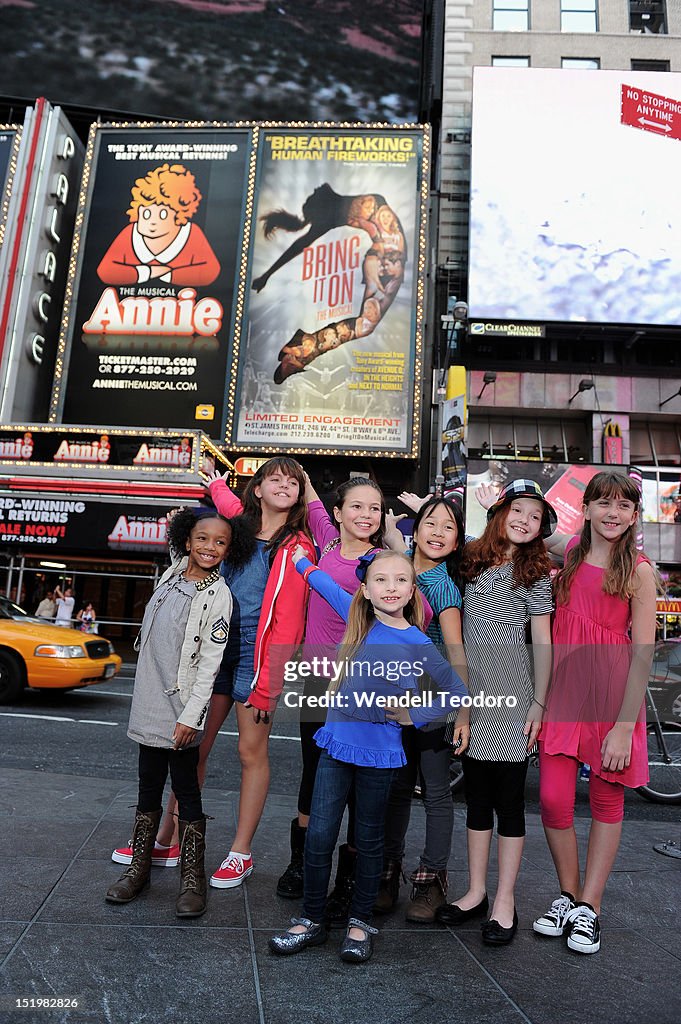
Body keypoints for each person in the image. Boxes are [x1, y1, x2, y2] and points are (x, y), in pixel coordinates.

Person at [112, 458, 316, 884]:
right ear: (257, 489)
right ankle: (168, 836)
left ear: (300, 493)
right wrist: (217, 482)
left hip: (255, 658)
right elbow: (225, 502)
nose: (283, 485)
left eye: (292, 482)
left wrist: (270, 681)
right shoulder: (235, 527)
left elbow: (291, 619)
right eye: (273, 479)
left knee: (249, 752)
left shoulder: (297, 545)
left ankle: (241, 851)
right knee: (190, 749)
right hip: (210, 648)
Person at [268, 550, 469, 963]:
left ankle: (360, 922)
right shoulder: (358, 620)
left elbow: (457, 691)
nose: (390, 588)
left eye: (400, 580)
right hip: (336, 747)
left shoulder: (415, 639)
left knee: (369, 839)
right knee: (320, 835)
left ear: (413, 590)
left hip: (381, 756)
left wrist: (416, 715)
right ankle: (310, 919)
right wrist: (301, 562)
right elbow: (323, 583)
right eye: (381, 580)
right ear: (365, 588)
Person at [532, 471, 657, 955]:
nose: (612, 513)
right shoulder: (571, 554)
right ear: (585, 508)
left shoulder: (639, 570)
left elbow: (643, 653)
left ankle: (591, 906)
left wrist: (625, 727)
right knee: (552, 801)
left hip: (611, 702)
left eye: (623, 506)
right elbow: (525, 532)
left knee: (607, 803)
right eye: (603, 503)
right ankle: (568, 893)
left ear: (632, 516)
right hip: (565, 693)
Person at [435, 479, 554, 946]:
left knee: (509, 800)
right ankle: (476, 892)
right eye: (518, 510)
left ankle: (505, 900)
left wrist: (539, 704)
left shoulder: (536, 571)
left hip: (513, 691)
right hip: (471, 691)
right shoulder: (472, 558)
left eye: (535, 516)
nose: (525, 521)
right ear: (500, 511)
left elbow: (543, 642)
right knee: (477, 796)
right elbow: (431, 542)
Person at [105, 507, 233, 918]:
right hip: (148, 697)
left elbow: (210, 665)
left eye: (219, 541)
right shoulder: (173, 572)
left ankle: (192, 880)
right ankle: (138, 871)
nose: (209, 547)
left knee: (187, 792)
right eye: (201, 538)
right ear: (186, 541)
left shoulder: (219, 597)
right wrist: (179, 519)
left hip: (181, 706)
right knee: (147, 788)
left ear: (229, 549)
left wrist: (191, 717)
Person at [276, 474, 387, 919]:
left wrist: (309, 570)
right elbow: (312, 495)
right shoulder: (325, 537)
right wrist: (296, 474)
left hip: (362, 686)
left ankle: (349, 880)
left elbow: (355, 604)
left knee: (359, 783)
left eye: (375, 508)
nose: (366, 515)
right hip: (317, 680)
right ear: (338, 515)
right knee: (312, 773)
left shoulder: (382, 561)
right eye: (356, 507)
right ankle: (302, 865)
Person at [377, 496, 469, 923]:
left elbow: (456, 654)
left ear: (456, 541)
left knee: (434, 790)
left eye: (448, 527)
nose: (437, 532)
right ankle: (386, 872)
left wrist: (462, 712)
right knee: (394, 786)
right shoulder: (394, 567)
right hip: (391, 694)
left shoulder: (445, 586)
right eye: (430, 523)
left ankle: (431, 880)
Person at [97, 163, 220, 287]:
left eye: (163, 214)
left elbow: (210, 271)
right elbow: (105, 271)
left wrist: (169, 275)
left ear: (179, 214)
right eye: (146, 214)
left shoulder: (192, 234)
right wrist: (147, 272)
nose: (152, 221)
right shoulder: (130, 234)